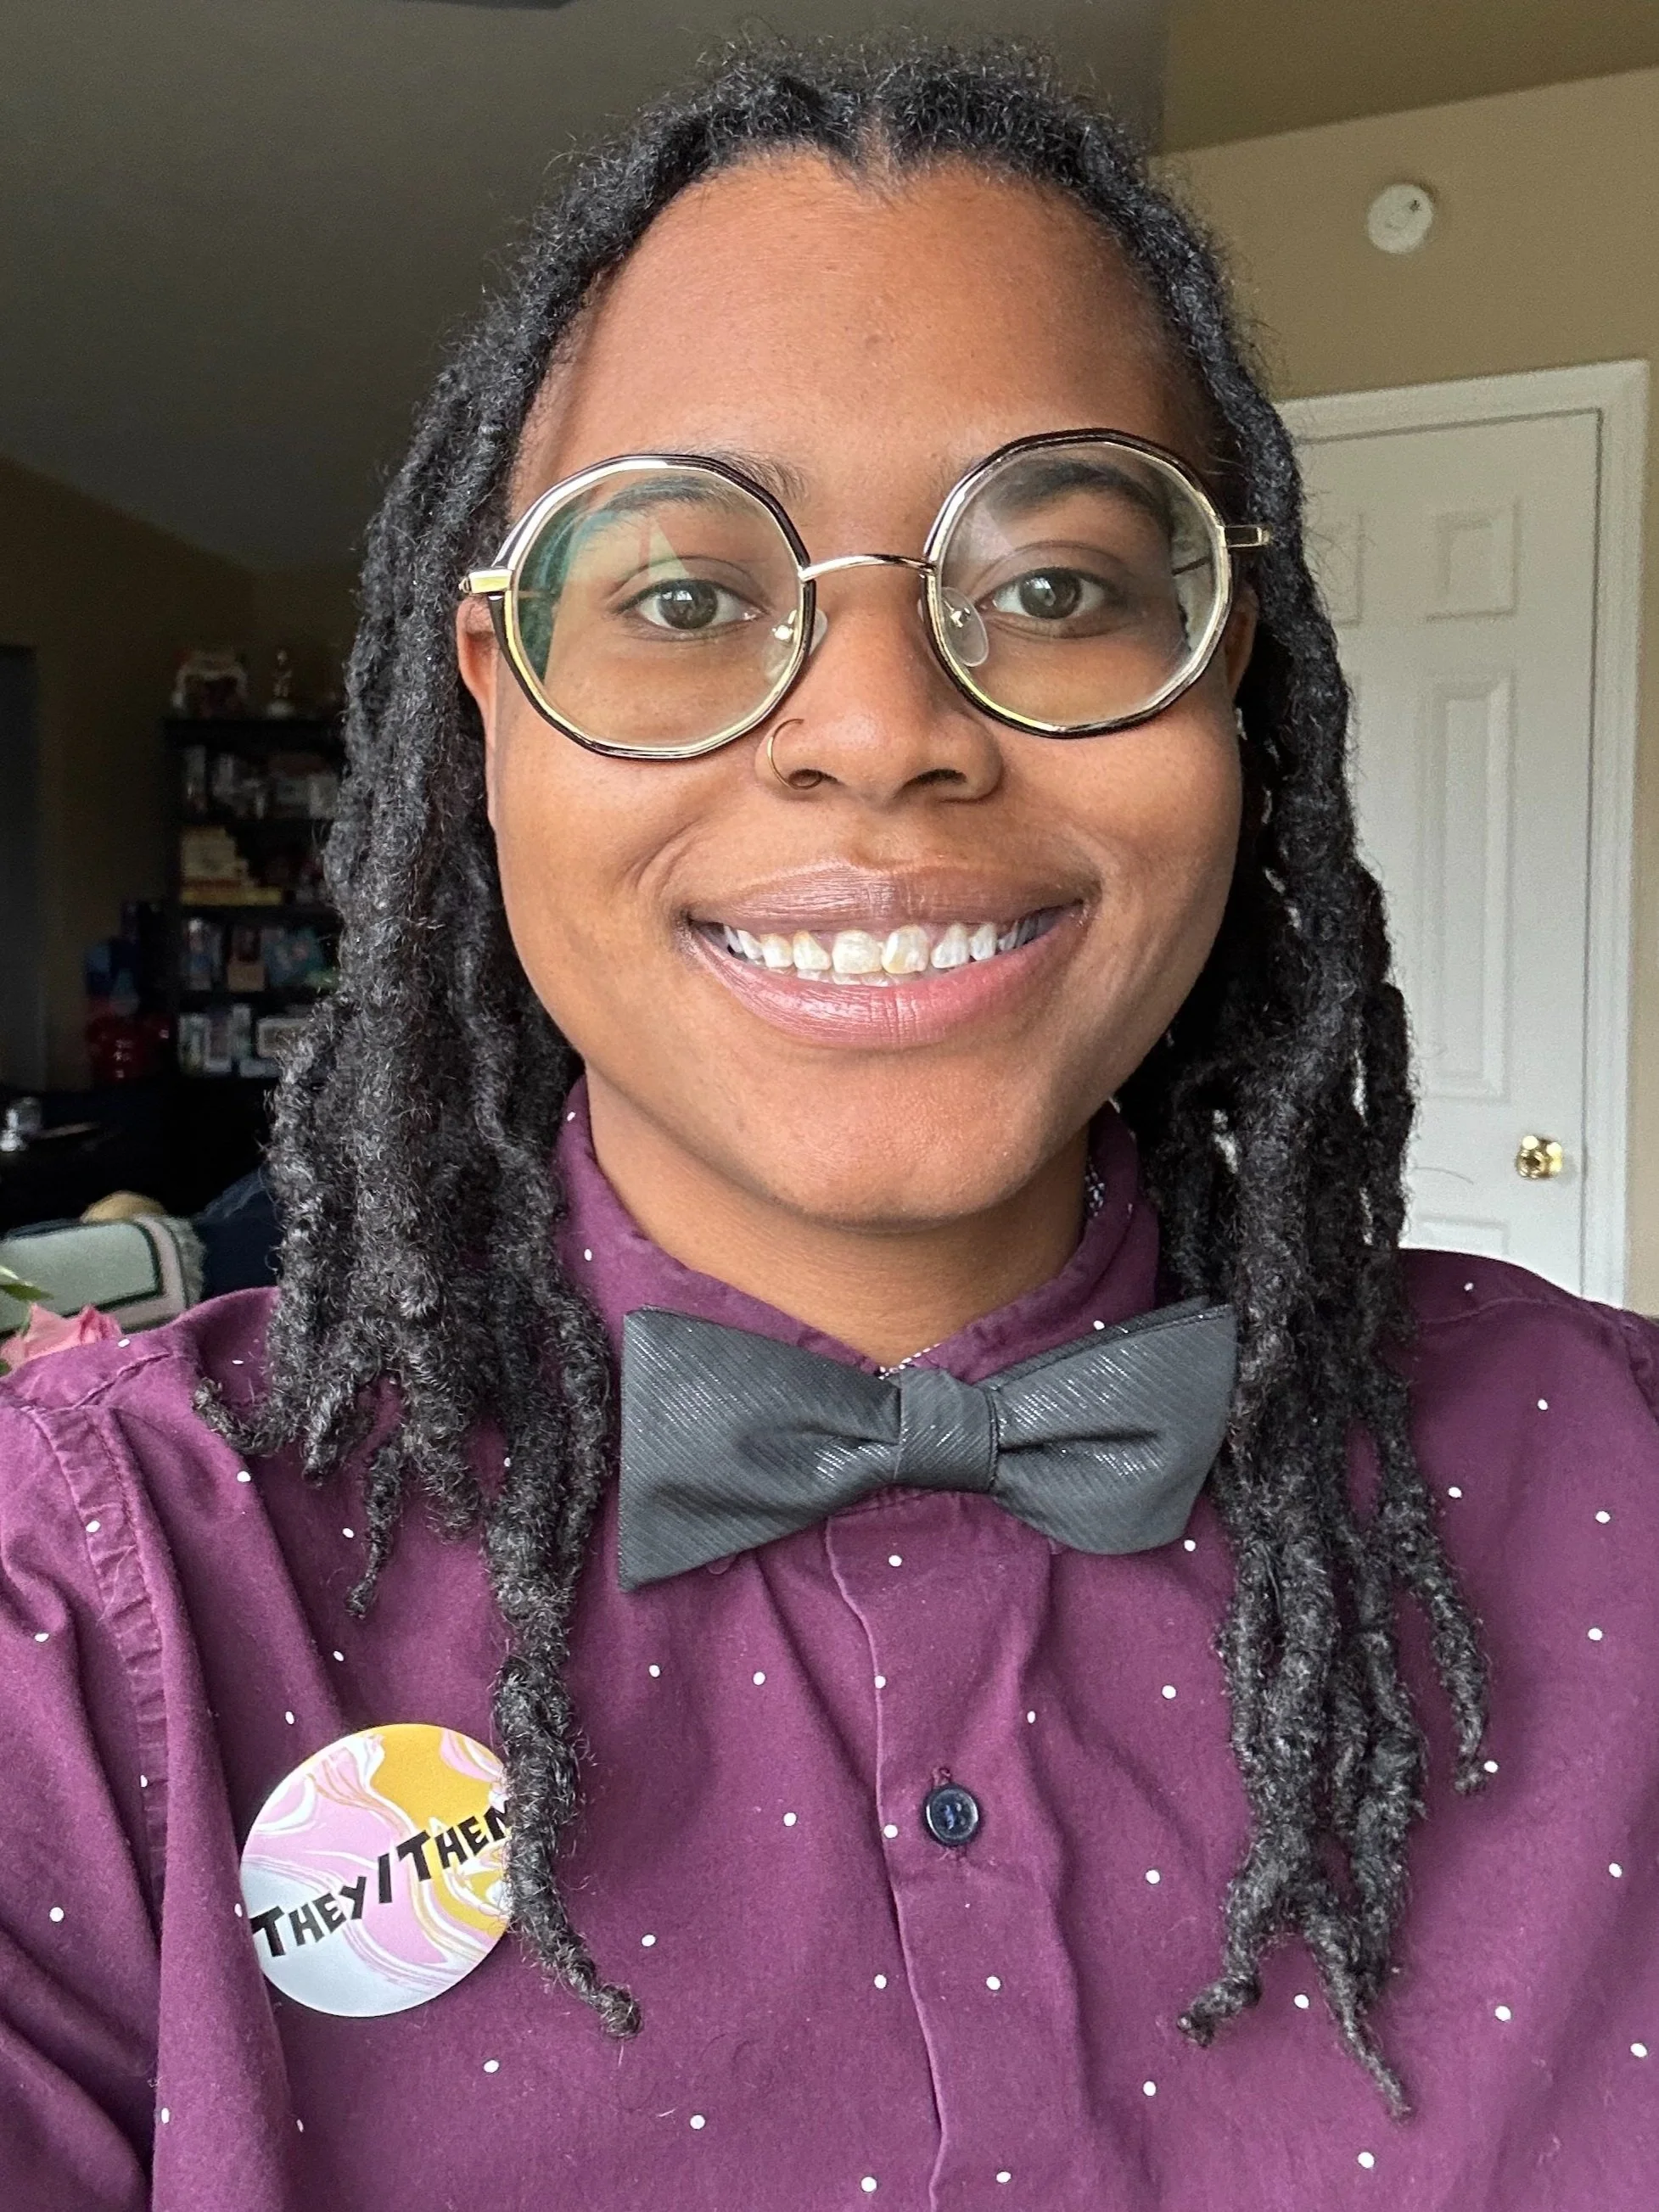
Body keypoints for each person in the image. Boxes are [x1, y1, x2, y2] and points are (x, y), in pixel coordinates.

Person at [2, 40, 1654, 2212]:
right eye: (684, 600)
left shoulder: (1615, 1480)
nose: (877, 733)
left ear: (1227, 687)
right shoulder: (82, 1598)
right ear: (493, 706)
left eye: (1056, 586)